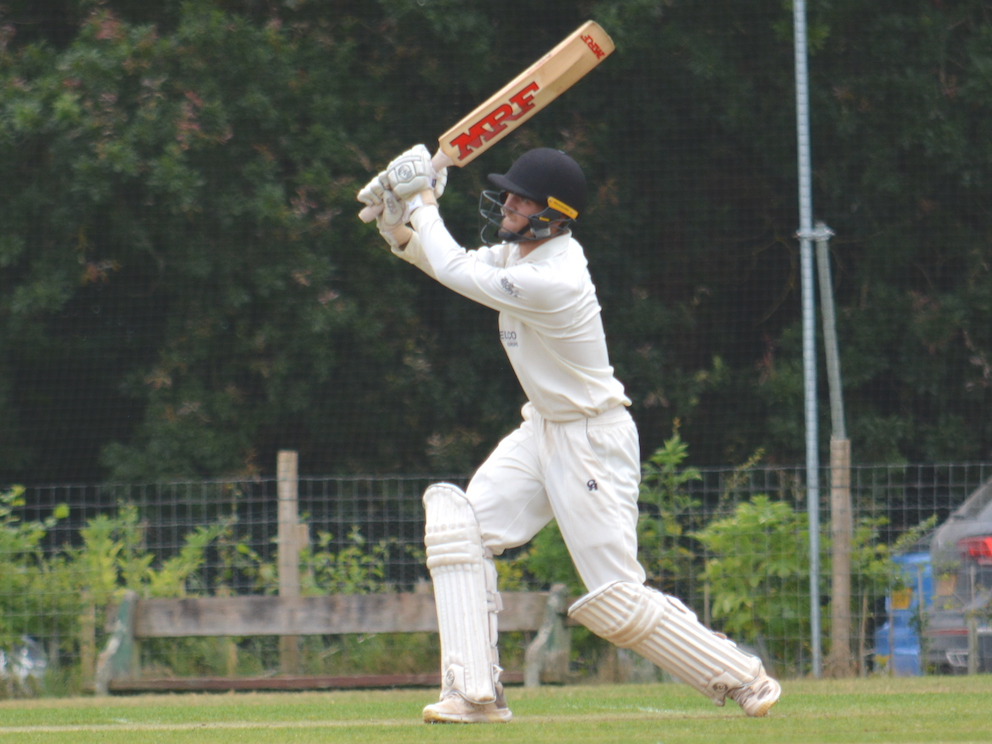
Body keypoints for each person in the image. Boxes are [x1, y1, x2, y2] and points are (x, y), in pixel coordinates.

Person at [357, 145, 781, 724]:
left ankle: (742, 677)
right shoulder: (517, 254)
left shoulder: (554, 277)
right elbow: (443, 262)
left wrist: (423, 198)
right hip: (544, 427)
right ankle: (473, 694)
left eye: (521, 198)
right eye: (508, 193)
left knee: (616, 601)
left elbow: (457, 271)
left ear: (552, 215)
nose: (506, 203)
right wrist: (397, 226)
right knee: (461, 530)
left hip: (591, 439)